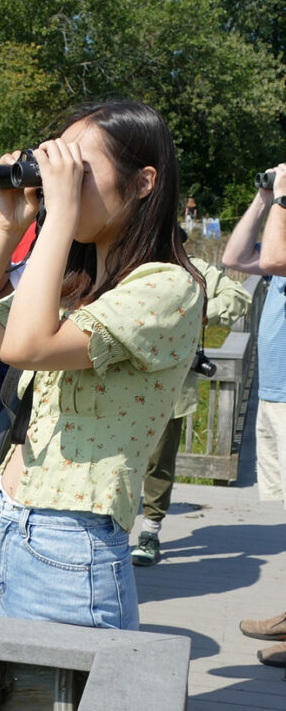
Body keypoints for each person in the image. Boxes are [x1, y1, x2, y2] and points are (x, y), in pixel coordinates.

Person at [0, 99, 205, 630]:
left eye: (78, 170)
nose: (61, 182)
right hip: (10, 520)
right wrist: (8, 228)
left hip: (70, 543)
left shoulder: (167, 287)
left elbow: (26, 347)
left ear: (144, 182)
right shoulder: (70, 292)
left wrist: (55, 217)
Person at [131, 230, 251, 566]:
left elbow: (238, 297)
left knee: (158, 465)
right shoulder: (128, 266)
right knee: (119, 462)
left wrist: (195, 309)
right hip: (123, 386)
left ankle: (150, 531)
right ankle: (113, 529)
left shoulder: (193, 270)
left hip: (170, 390)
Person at [222, 161, 286, 669]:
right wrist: (264, 198)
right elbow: (233, 257)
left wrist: (282, 199)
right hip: (276, 393)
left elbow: (278, 255)